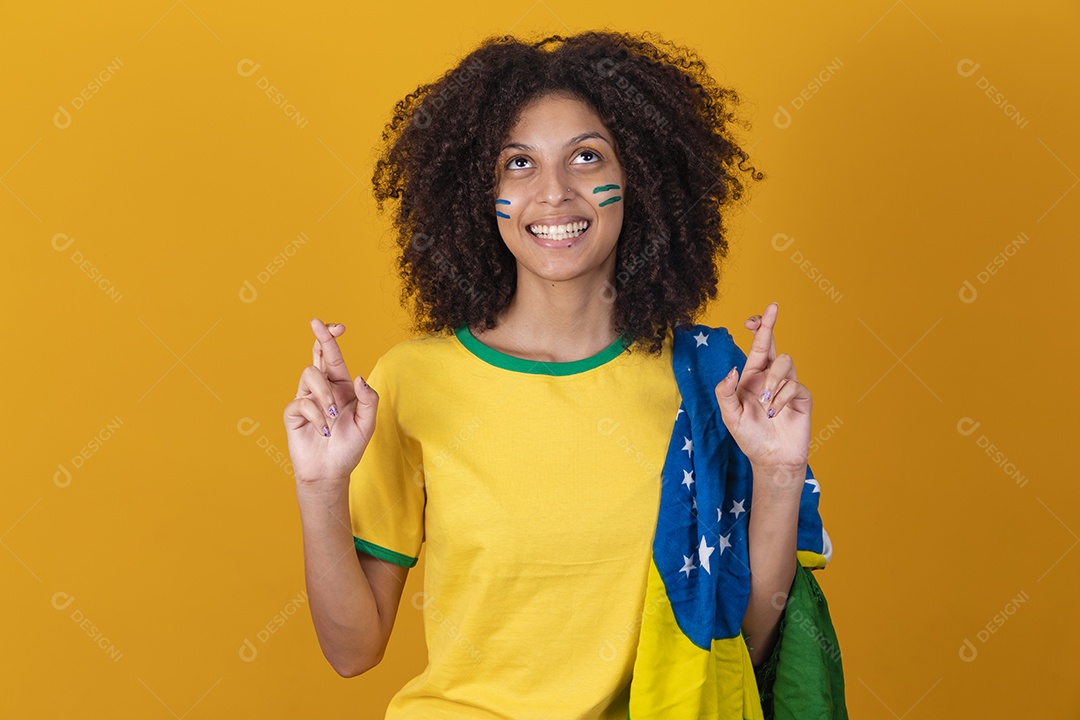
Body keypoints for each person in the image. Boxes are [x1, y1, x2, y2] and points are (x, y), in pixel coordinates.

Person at [284, 30, 844, 719]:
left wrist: (780, 473)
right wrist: (321, 485)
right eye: (518, 164)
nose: (553, 193)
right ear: (477, 191)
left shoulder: (709, 386)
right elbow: (352, 651)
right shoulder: (410, 381)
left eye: (586, 157)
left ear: (639, 175)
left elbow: (745, 643)